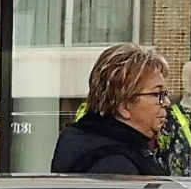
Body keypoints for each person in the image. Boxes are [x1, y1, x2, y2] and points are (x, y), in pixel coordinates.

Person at [51, 43, 172, 176]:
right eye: (156, 94)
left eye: (165, 94)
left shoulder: (87, 142)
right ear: (123, 106)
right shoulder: (115, 166)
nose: (167, 102)